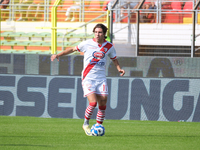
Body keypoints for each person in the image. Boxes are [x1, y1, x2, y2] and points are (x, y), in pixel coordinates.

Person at [51, 23, 125, 136]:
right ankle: (85, 124)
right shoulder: (87, 43)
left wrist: (119, 69)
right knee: (93, 102)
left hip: (101, 78)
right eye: (95, 32)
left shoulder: (109, 46)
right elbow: (72, 49)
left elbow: (114, 59)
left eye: (100, 32)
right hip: (88, 78)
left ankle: (98, 126)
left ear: (104, 34)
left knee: (103, 103)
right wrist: (58, 55)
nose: (97, 34)